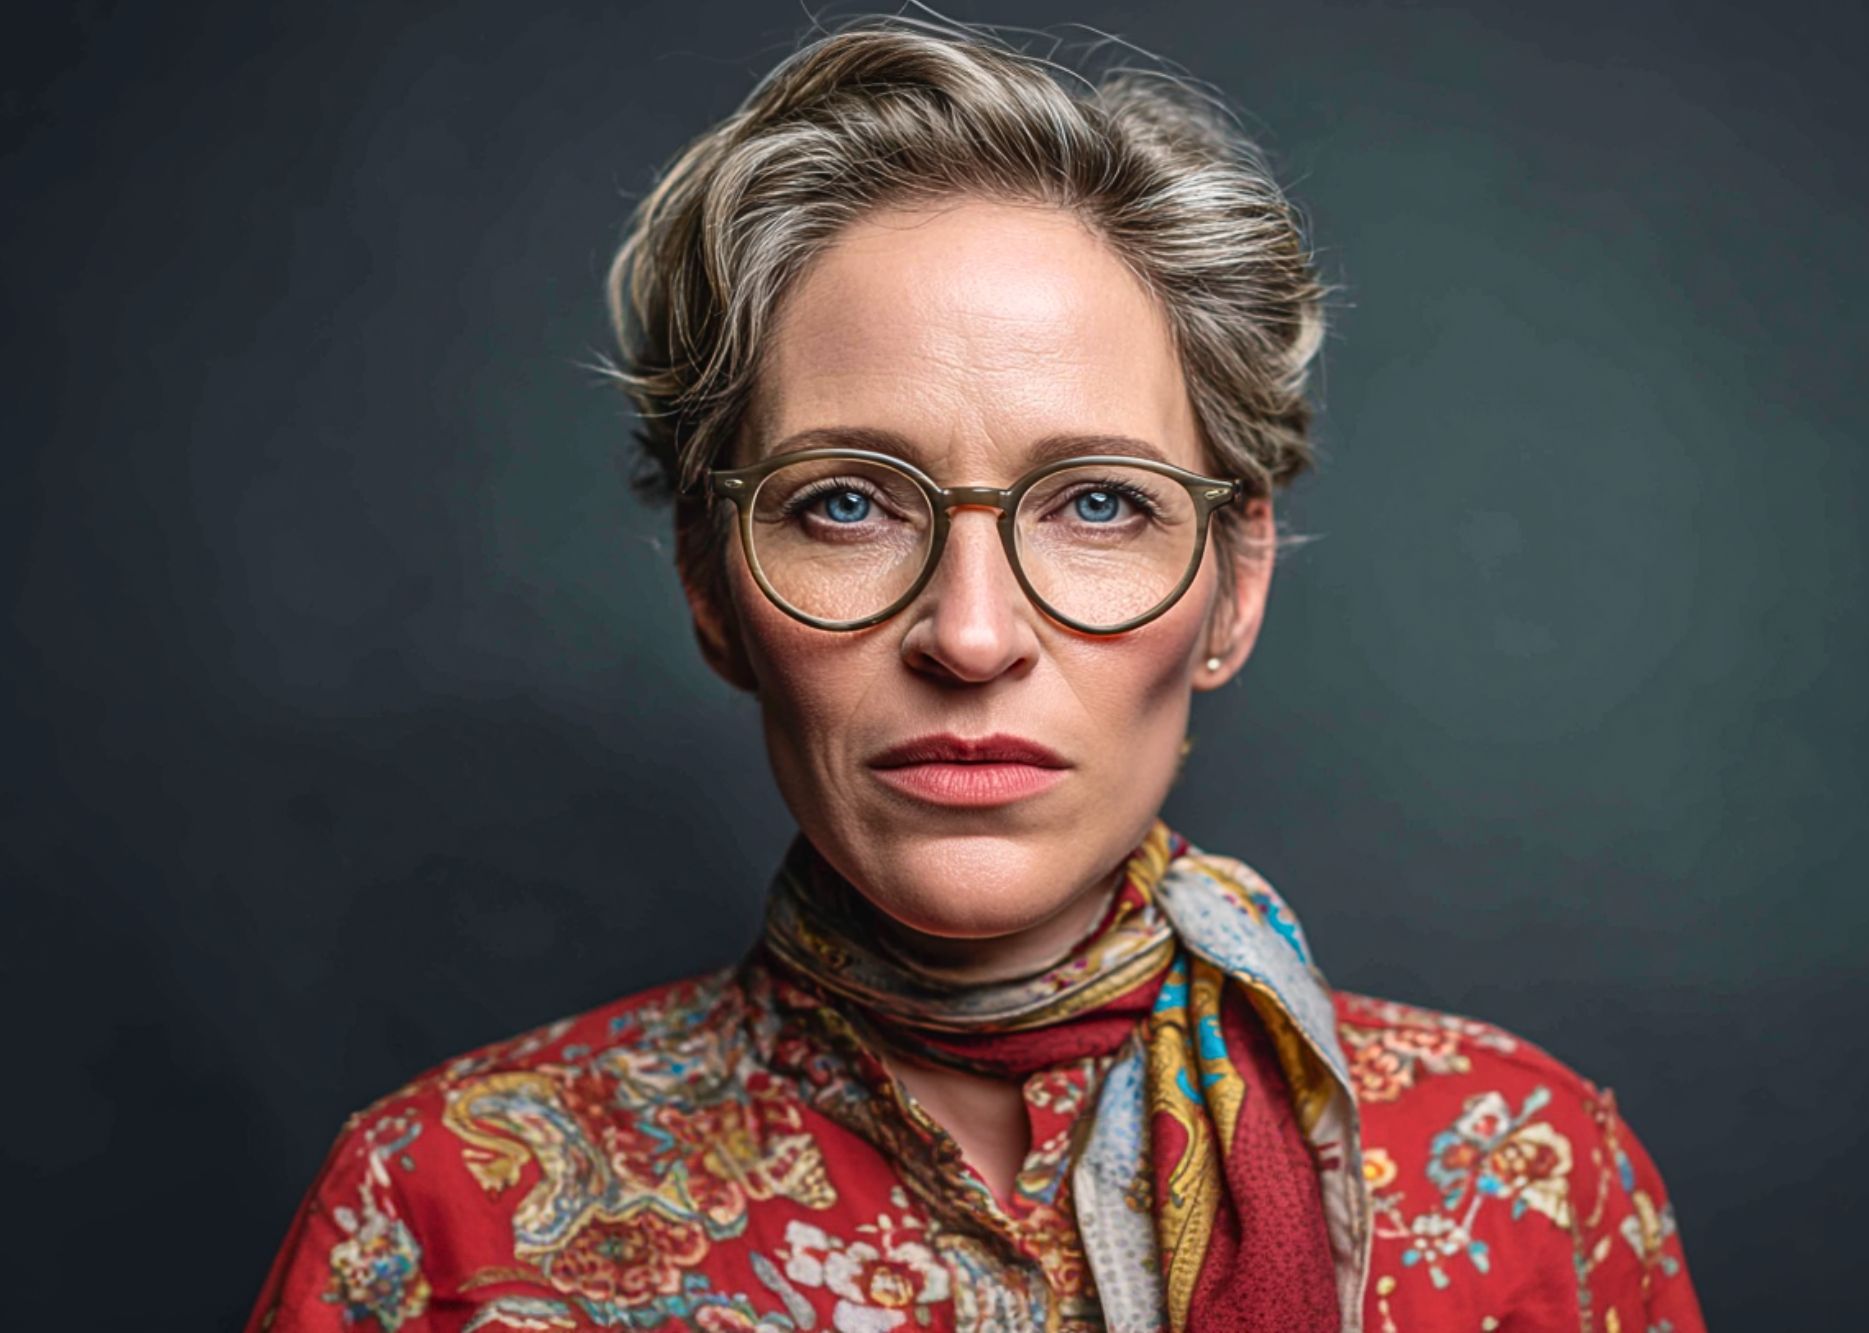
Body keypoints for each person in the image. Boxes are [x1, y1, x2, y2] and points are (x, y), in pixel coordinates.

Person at [245, 18, 1705, 1333]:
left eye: (1099, 503)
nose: (972, 633)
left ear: (1234, 583)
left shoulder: (1529, 1187)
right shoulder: (437, 1220)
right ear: (709, 580)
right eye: (846, 503)